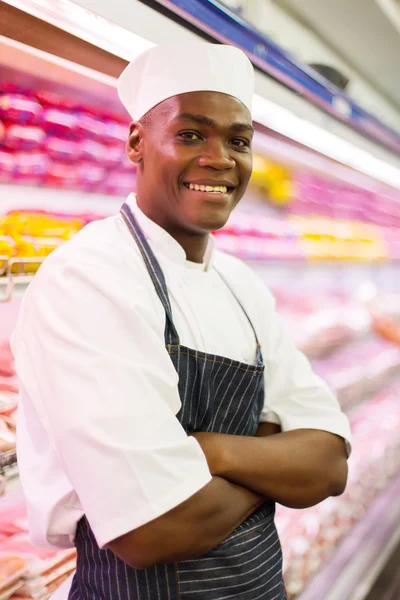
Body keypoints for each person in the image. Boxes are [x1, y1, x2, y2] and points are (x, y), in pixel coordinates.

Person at [12, 42, 351, 600]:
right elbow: (153, 529)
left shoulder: (241, 284)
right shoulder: (89, 278)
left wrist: (210, 451)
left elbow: (330, 463)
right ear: (136, 143)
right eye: (191, 134)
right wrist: (268, 456)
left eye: (238, 140)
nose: (221, 158)